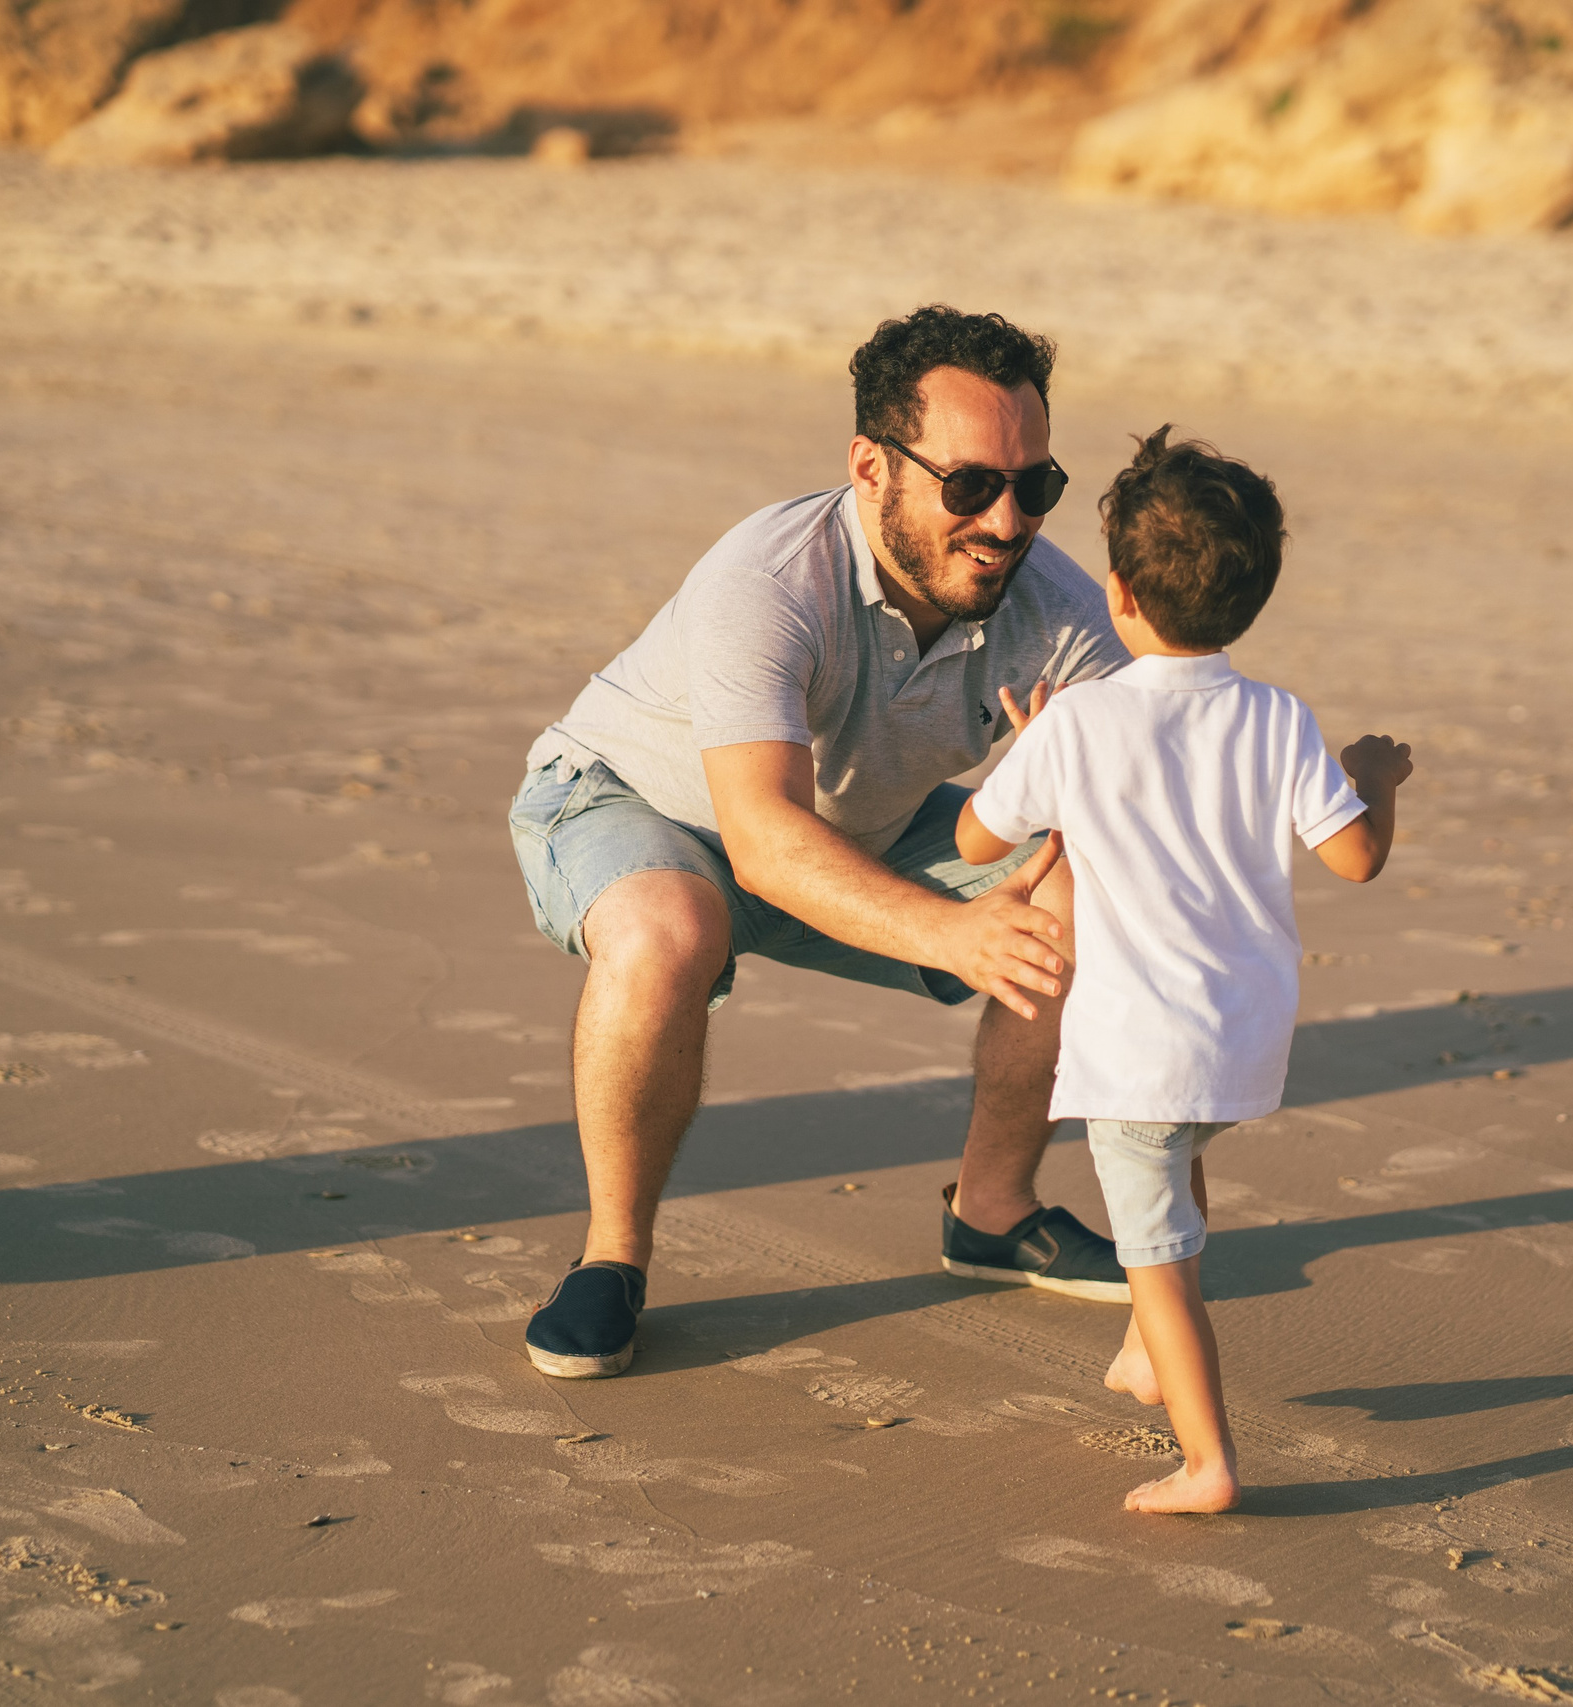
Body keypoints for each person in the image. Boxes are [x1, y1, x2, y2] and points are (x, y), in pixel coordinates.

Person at [507, 305, 1135, 1380]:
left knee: (1090, 883)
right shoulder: (767, 580)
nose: (1007, 520)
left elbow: (1160, 790)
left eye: (1035, 486)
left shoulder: (1058, 610)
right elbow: (758, 838)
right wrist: (953, 935)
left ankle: (990, 1213)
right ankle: (612, 1258)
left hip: (857, 828)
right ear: (870, 466)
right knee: (671, 926)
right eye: (971, 483)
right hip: (636, 807)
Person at [954, 428, 1413, 1513]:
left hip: (1136, 1045)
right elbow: (1356, 858)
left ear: (1115, 593)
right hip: (1239, 1038)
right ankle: (1143, 1355)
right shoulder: (1277, 717)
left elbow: (977, 844)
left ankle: (1206, 1460)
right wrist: (1374, 779)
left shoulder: (1082, 723)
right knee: (1173, 1174)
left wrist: (1032, 751)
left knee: (1152, 1252)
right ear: (1248, 602)